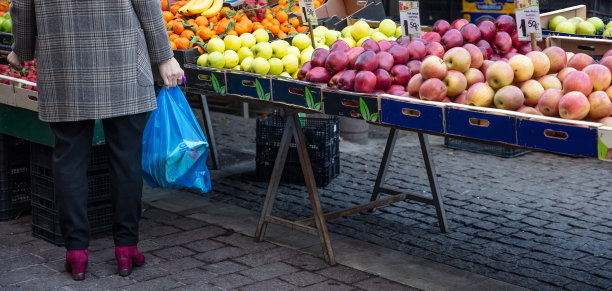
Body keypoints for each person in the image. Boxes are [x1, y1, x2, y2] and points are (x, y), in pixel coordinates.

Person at [8, 0, 184, 281]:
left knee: (69, 160)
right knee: (126, 160)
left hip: (63, 65)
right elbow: (147, 5)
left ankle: (76, 252)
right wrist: (164, 56)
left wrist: (23, 49)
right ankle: (127, 247)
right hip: (123, 62)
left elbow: (22, 6)